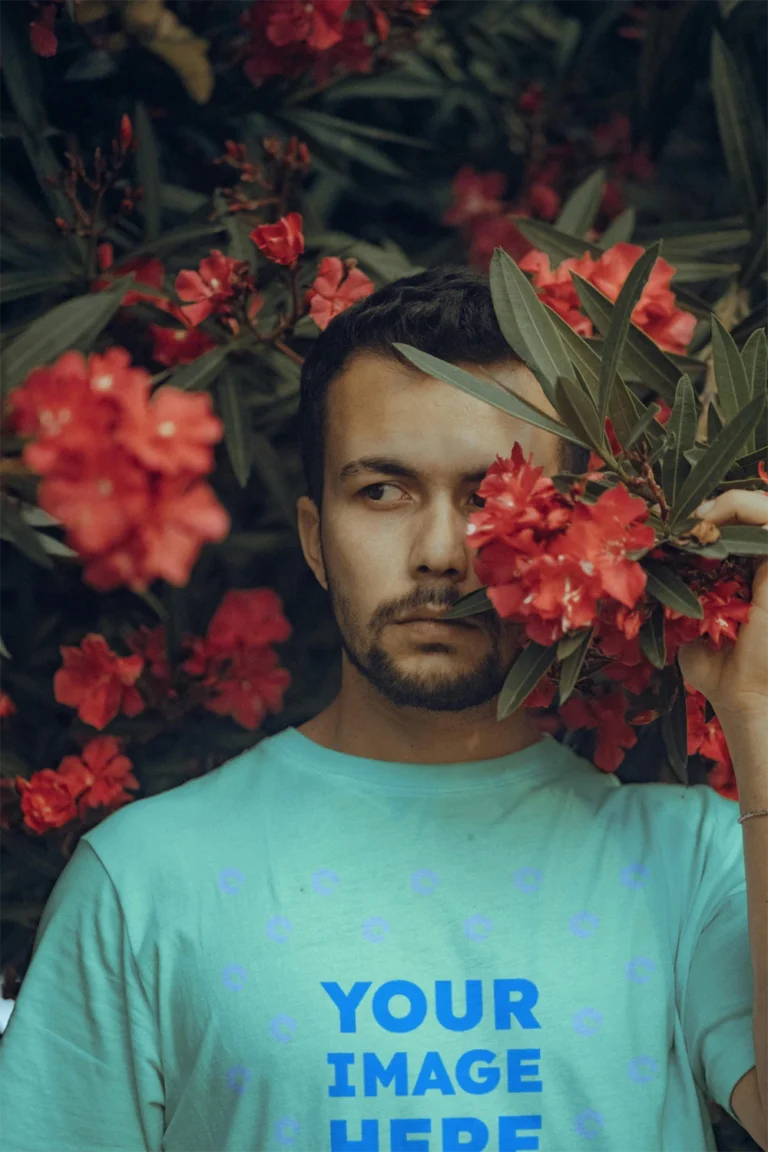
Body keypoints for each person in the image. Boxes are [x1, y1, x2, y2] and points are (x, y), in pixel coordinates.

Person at [0, 266, 757, 1151]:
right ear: (316, 542)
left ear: (577, 532)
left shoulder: (696, 864)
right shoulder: (143, 882)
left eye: (489, 497)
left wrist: (760, 710)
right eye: (383, 492)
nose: (440, 554)